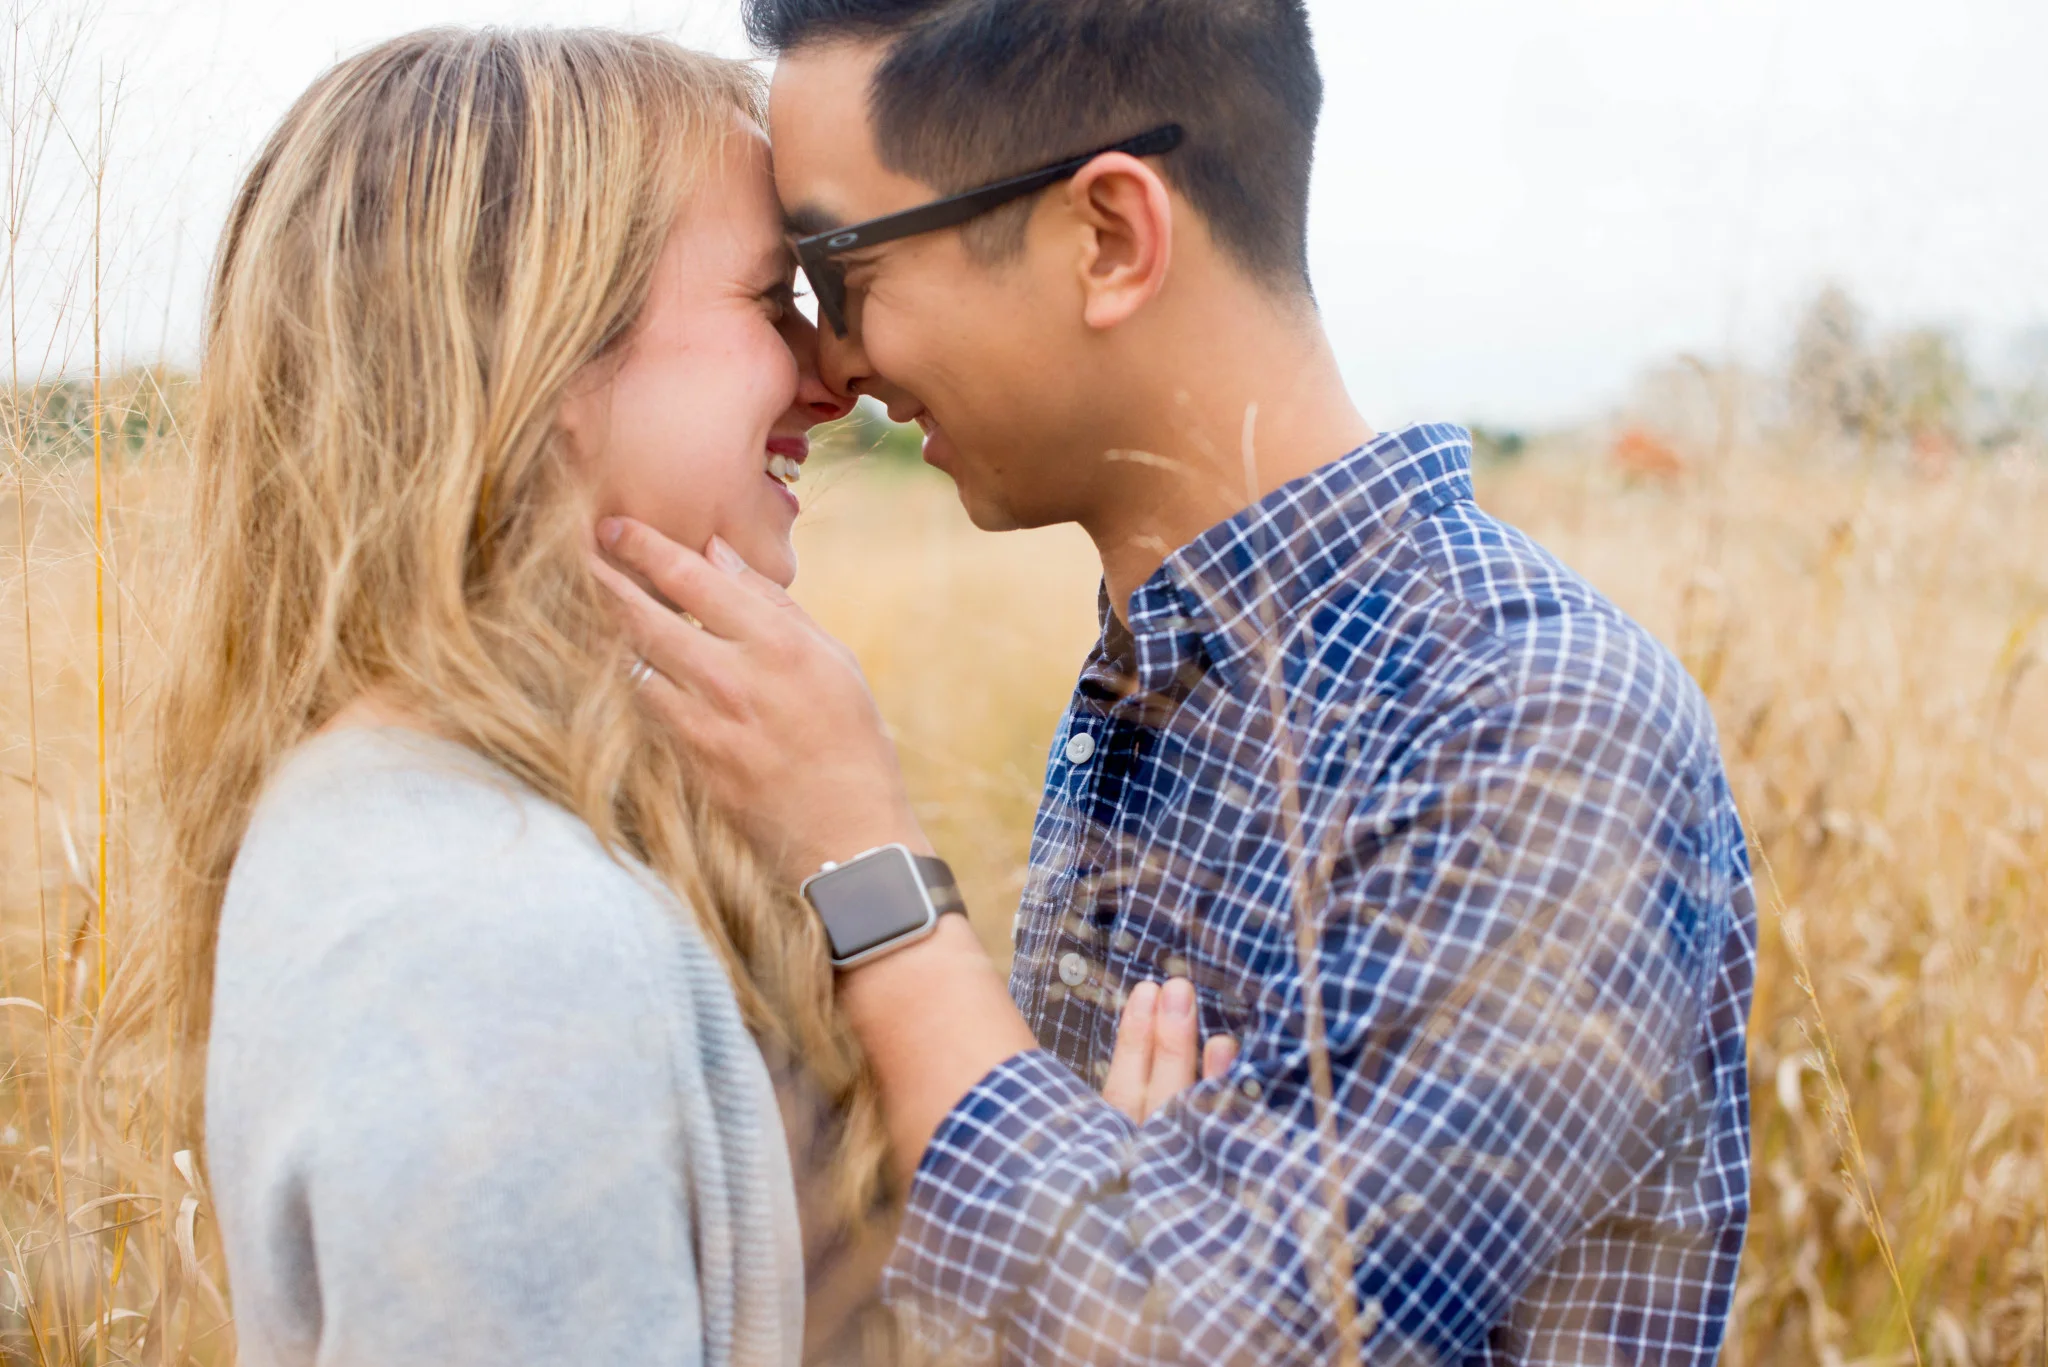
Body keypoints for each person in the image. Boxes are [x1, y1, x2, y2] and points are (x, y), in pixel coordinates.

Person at [595, 1, 1758, 1363]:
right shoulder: (1181, 671)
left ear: (1110, 238)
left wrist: (870, 868)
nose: (832, 365)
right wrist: (1115, 1205)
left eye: (840, 269)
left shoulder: (1526, 718)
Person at [117, 28, 888, 1366]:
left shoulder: (430, 823)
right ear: (538, 351)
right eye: (775, 303)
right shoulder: (490, 938)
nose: (837, 380)